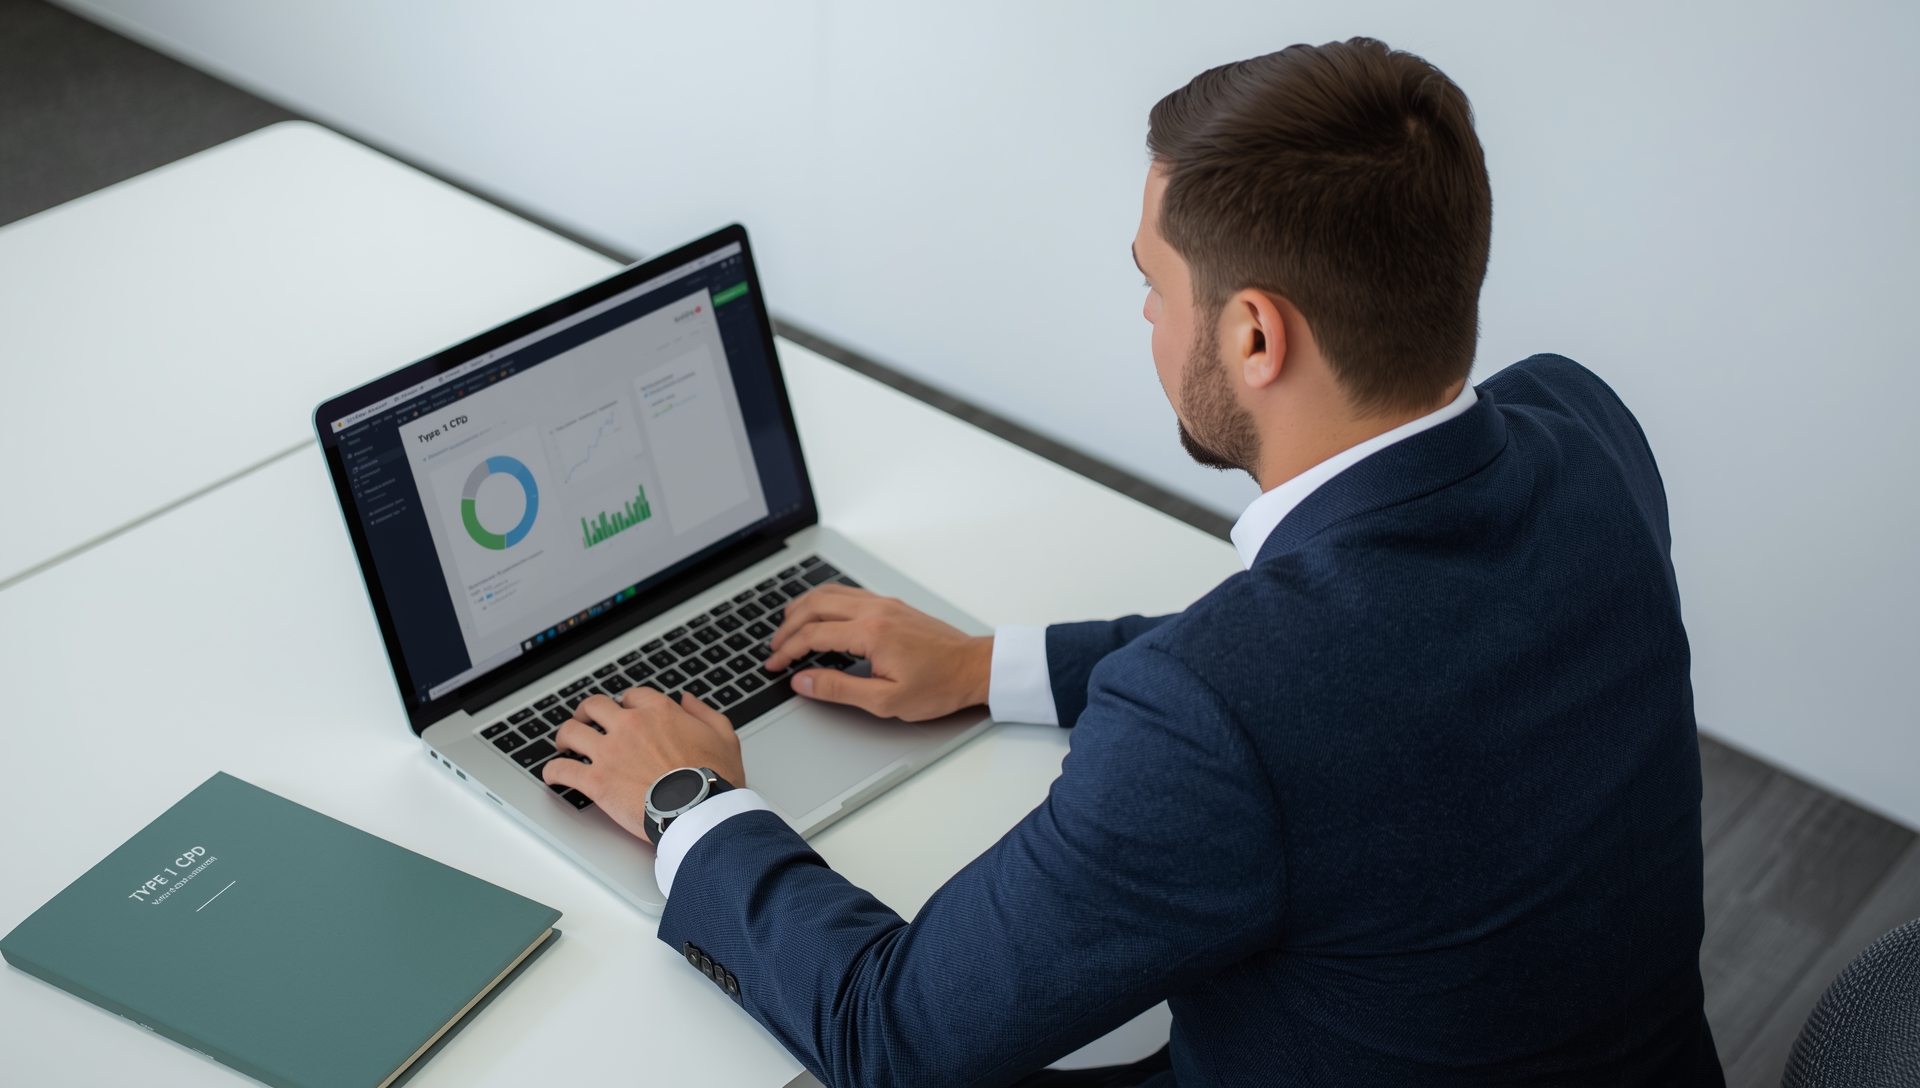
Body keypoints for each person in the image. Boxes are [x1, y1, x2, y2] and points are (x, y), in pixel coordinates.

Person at [540, 36, 1724, 1087]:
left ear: (1254, 334)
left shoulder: (1219, 712)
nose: (1147, 317)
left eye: (1154, 285)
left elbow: (893, 1035)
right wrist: (986, 666)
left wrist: (690, 800)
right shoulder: (1583, 433)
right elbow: (1370, 653)